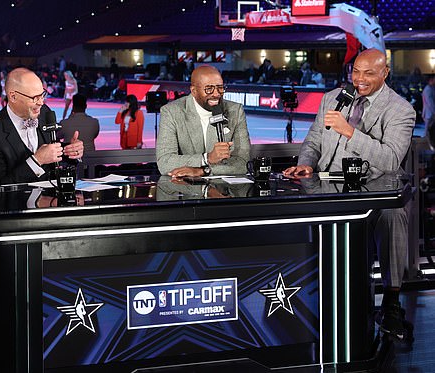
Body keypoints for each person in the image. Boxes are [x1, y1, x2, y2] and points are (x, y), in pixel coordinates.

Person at [283, 48, 416, 340]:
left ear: (385, 73)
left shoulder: (400, 109)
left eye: (369, 73)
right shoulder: (333, 98)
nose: (360, 79)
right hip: (325, 187)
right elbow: (314, 140)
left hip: (371, 190)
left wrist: (350, 132)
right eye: (356, 71)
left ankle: (391, 303)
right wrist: (305, 163)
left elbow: (392, 159)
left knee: (394, 215)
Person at [0, 67, 84, 185]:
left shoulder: (44, 112)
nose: (41, 102)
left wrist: (70, 151)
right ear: (13, 96)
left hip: (52, 199)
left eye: (42, 95)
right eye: (34, 98)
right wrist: (36, 160)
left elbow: (50, 152)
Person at [156, 65, 251, 177]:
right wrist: (207, 158)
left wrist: (203, 171)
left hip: (225, 191)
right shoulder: (171, 112)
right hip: (186, 189)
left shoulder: (235, 111)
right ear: (194, 91)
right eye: (209, 89)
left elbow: (243, 162)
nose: (216, 94)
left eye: (220, 87)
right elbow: (165, 162)